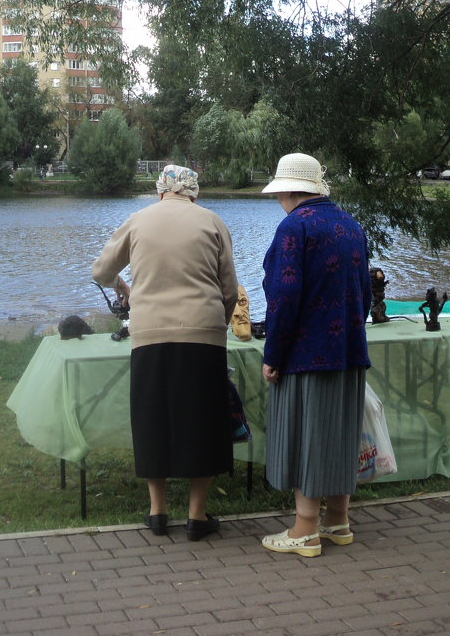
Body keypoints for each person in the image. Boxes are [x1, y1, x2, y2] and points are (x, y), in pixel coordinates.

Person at [91, 164, 239, 540]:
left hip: (149, 331)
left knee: (151, 416)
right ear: (194, 193)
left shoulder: (137, 221)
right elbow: (229, 289)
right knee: (201, 420)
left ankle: (157, 512)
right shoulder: (213, 222)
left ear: (160, 192)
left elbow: (101, 272)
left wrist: (124, 287)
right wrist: (218, 323)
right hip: (202, 331)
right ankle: (196, 516)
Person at [259, 153, 372, 558]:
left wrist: (273, 354)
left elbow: (284, 296)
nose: (278, 201)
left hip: (306, 354)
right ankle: (338, 521)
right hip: (349, 351)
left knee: (305, 436)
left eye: (279, 193)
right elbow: (366, 290)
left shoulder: (295, 227)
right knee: (340, 434)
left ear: (290, 190)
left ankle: (304, 530)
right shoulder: (350, 224)